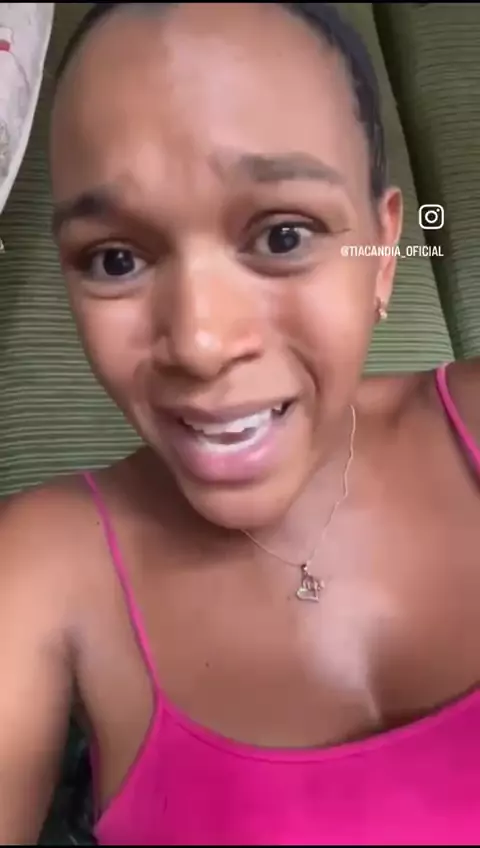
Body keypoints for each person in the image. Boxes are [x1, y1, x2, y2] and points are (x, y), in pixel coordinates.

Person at [1, 2, 479, 844]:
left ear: (382, 252)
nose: (200, 342)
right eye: (116, 259)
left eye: (283, 236)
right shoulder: (41, 566)